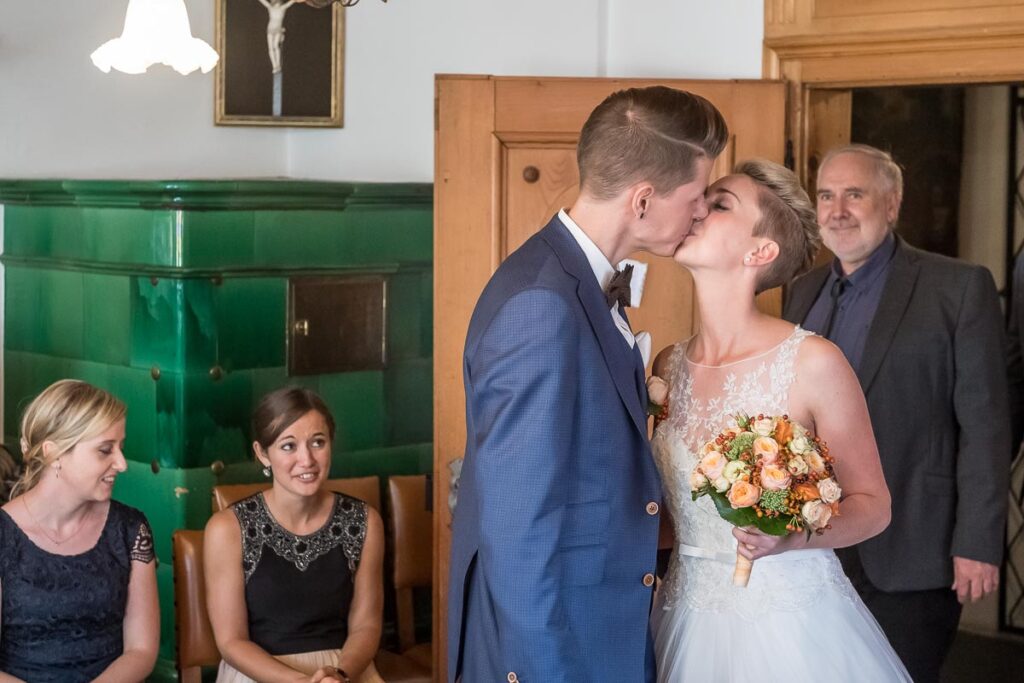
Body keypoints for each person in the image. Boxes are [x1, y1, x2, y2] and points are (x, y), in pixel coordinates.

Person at [447, 85, 729, 683]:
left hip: (597, 623)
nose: (703, 210)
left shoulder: (583, 281)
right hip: (550, 644)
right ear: (644, 199)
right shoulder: (540, 306)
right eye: (698, 195)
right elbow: (518, 529)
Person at [651, 159, 909, 681]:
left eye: (719, 204)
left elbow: (874, 506)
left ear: (760, 251)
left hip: (787, 628)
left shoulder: (813, 362)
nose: (697, 208)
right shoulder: (667, 366)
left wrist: (793, 537)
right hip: (681, 613)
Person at [783, 144, 1010, 683]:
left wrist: (977, 543)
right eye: (827, 195)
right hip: (812, 548)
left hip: (912, 544)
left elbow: (985, 427)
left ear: (892, 203)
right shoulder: (801, 290)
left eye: (854, 194)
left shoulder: (958, 287)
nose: (837, 210)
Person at [204, 387, 385, 683]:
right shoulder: (227, 529)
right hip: (258, 673)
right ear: (263, 454)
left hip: (343, 671)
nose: (307, 459)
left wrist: (339, 674)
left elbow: (366, 626)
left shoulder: (365, 521)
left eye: (318, 442)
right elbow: (231, 642)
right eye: (288, 446)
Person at [0, 380, 159, 682]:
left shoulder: (129, 528)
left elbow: (141, 651)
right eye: (105, 450)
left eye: (120, 448)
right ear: (53, 453)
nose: (122, 464)